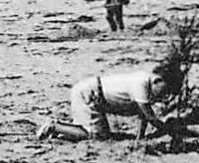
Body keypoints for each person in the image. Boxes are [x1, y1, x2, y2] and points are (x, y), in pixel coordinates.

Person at [40, 59, 186, 142]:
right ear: (158, 80)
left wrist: (140, 137)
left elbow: (143, 115)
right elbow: (150, 117)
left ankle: (63, 133)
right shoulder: (140, 83)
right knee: (95, 136)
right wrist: (170, 131)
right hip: (89, 94)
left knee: (99, 134)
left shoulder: (147, 83)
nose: (164, 95)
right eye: (165, 90)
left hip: (95, 96)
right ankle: (54, 126)